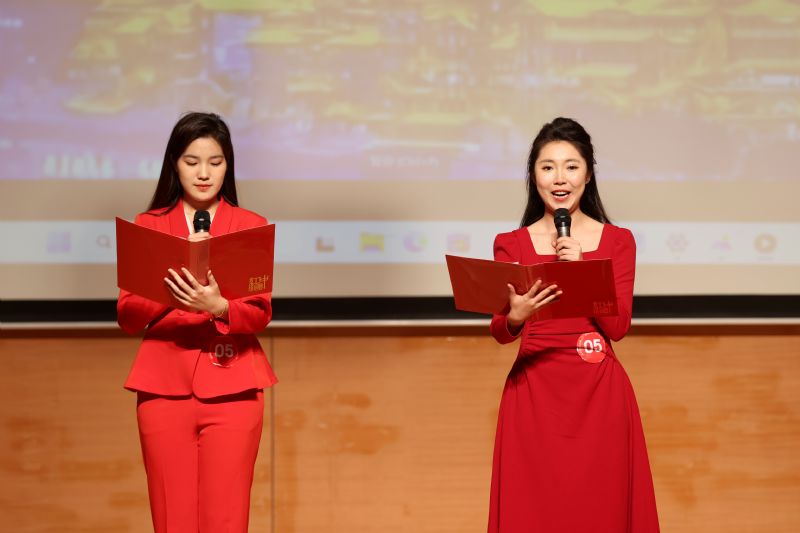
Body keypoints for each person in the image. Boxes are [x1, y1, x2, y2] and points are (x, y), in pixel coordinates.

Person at [487, 117, 659, 532]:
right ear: (534, 176)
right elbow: (499, 330)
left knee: (601, 509)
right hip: (534, 392)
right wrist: (515, 317)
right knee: (533, 510)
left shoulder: (618, 241)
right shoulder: (510, 243)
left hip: (598, 392)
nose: (559, 178)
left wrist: (583, 272)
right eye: (547, 167)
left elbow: (617, 328)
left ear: (588, 174)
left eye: (571, 166)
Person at [117, 112, 277, 533]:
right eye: (192, 162)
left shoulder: (250, 225)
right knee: (173, 516)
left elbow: (260, 312)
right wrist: (169, 292)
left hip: (233, 385)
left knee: (226, 516)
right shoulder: (149, 226)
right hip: (163, 387)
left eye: (215, 162)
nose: (204, 173)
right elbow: (128, 317)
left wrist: (219, 306)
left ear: (228, 165)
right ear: (174, 164)